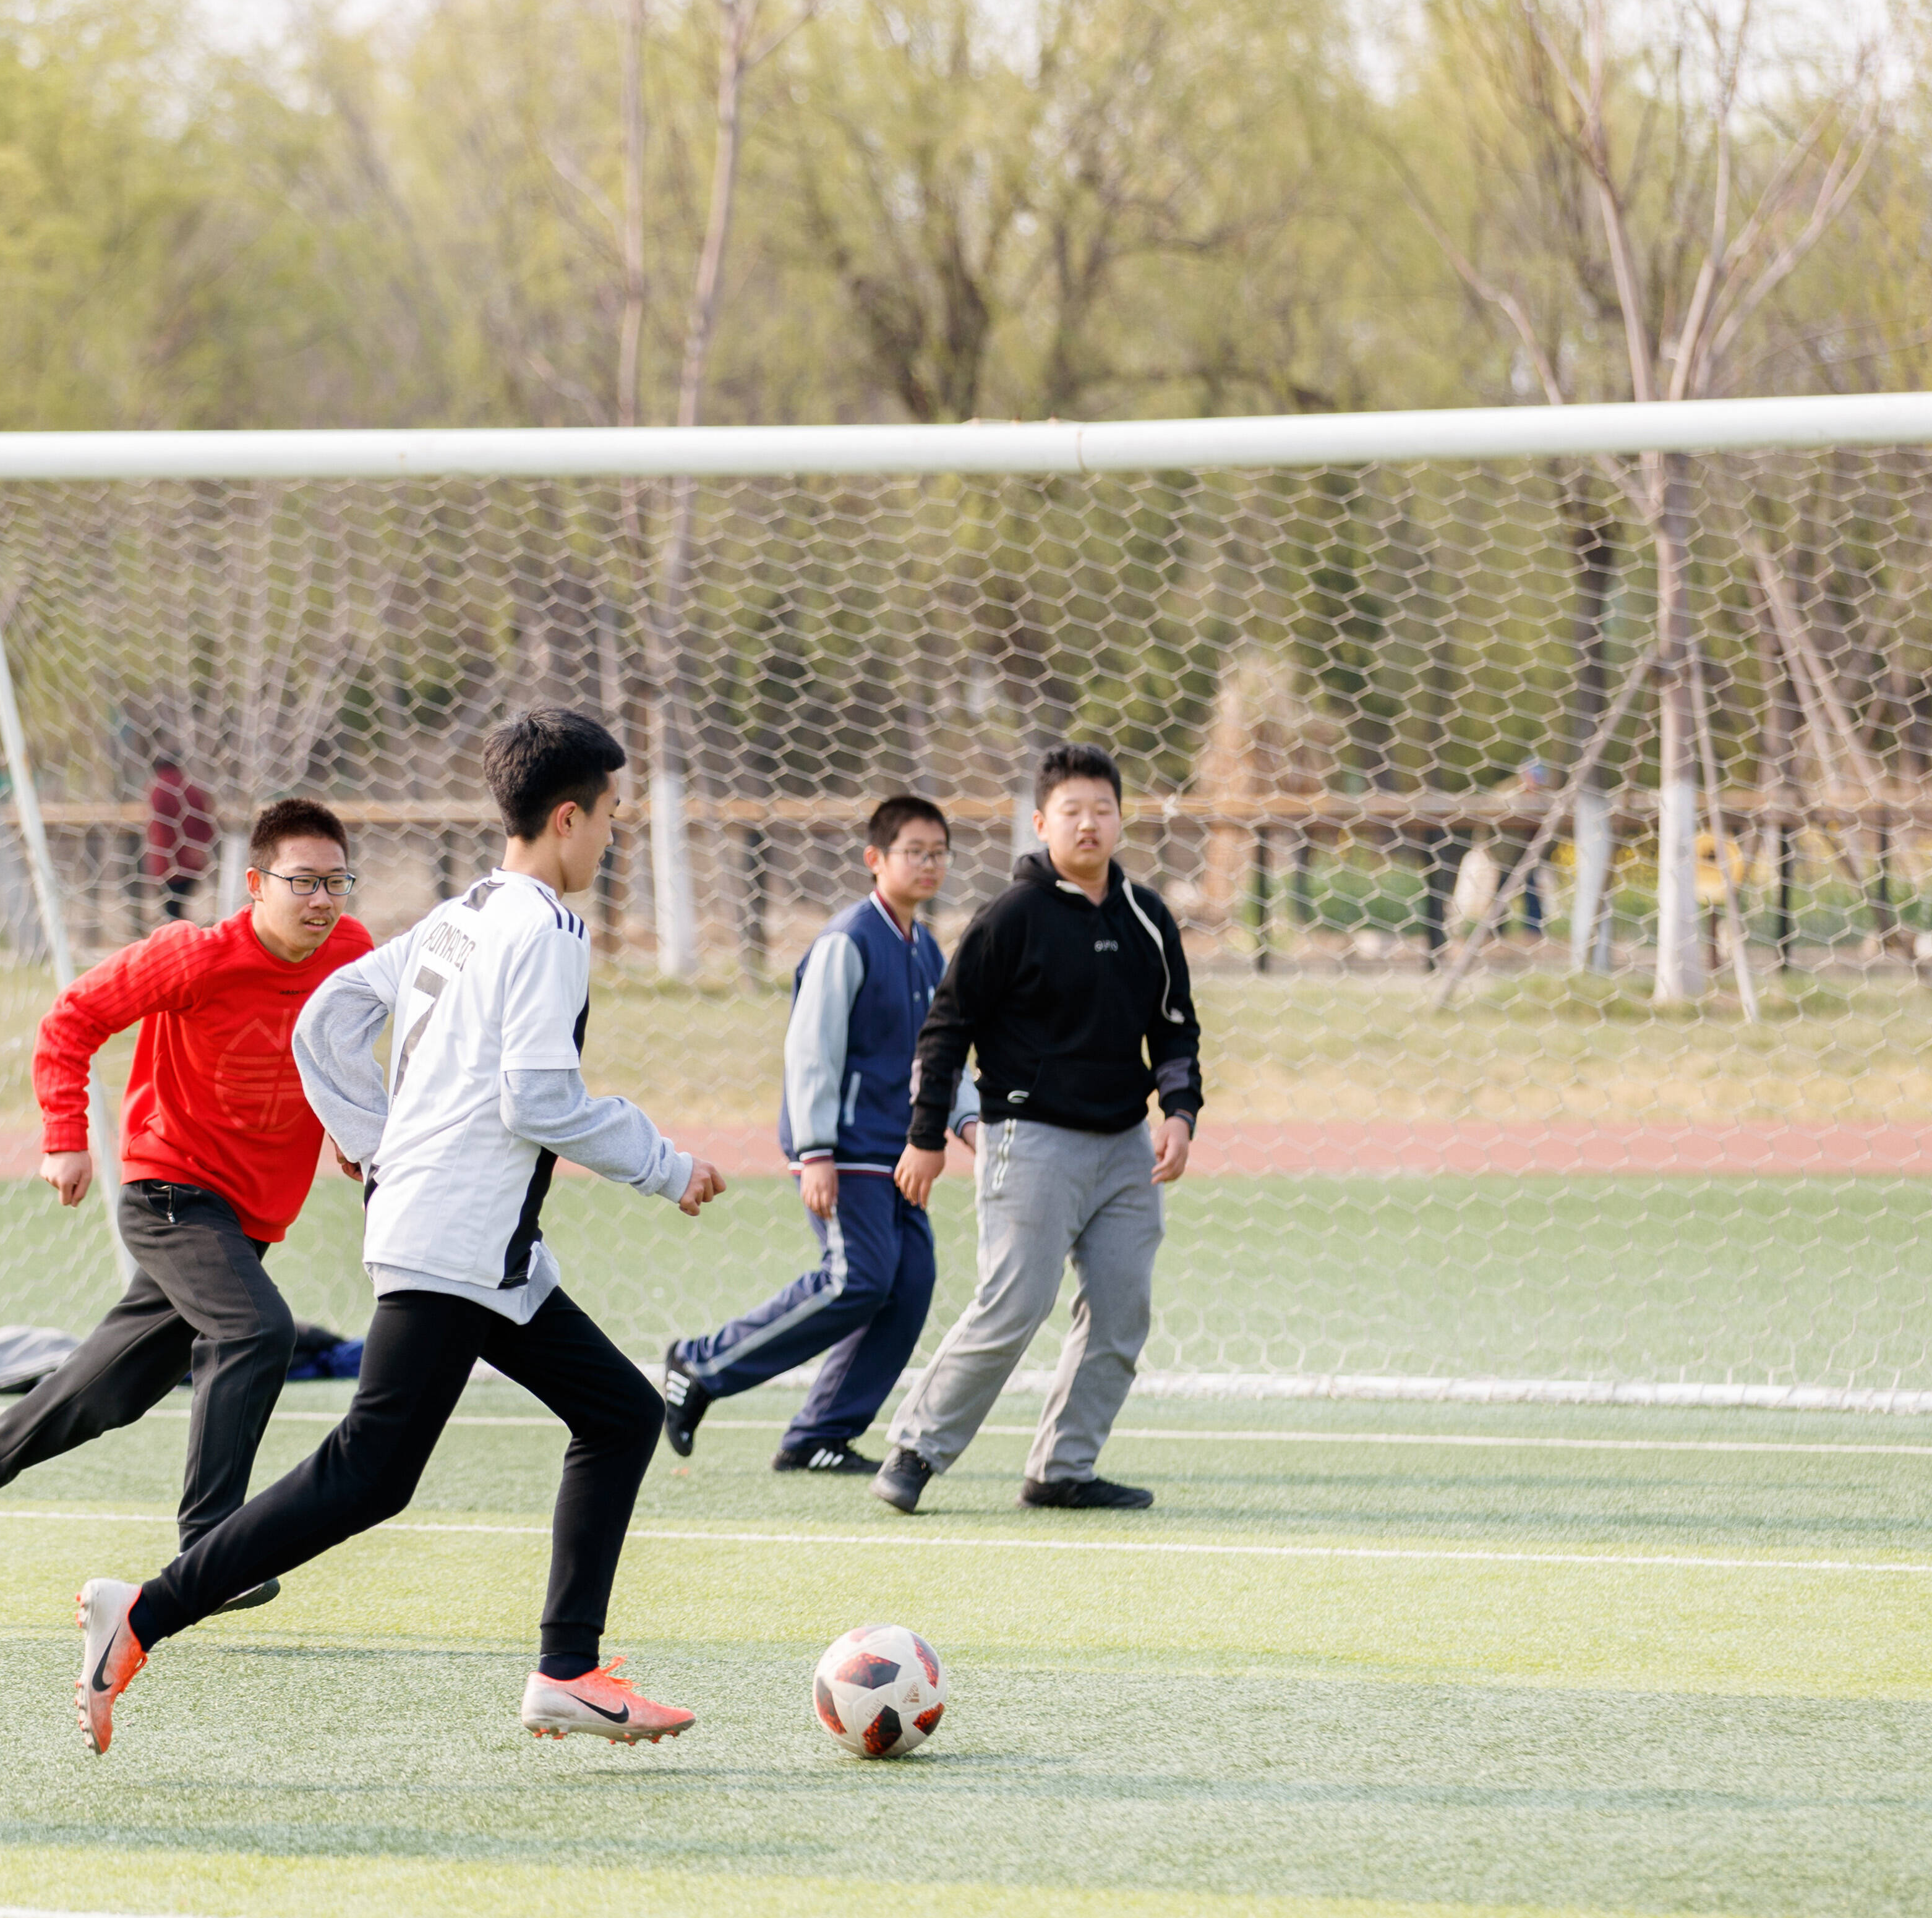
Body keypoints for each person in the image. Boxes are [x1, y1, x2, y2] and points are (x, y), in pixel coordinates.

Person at [69, 708, 726, 1756]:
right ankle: (143, 1610)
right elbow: (538, 1098)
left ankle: (566, 1669)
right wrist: (666, 1164)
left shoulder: (463, 912)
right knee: (368, 1470)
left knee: (617, 1411)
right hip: (456, 1238)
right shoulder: (547, 931)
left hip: (473, 1241)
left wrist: (377, 1144)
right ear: (567, 817)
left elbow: (325, 1015)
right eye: (611, 813)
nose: (614, 834)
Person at [0, 799, 374, 1602]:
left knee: (106, 1394)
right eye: (302, 881)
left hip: (246, 1219)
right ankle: (211, 1551)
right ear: (256, 883)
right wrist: (64, 1135)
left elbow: (340, 1049)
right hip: (170, 1192)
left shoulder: (353, 954)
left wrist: (352, 1132)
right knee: (257, 1329)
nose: (321, 899)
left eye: (336, 881)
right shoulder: (192, 957)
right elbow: (71, 1019)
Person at [870, 743, 1202, 1517]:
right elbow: (946, 1029)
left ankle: (1063, 1469)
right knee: (1015, 1301)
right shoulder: (1011, 917)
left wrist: (1180, 1114)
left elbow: (1175, 1029)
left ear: (1121, 820)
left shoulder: (1148, 917)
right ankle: (915, 1449)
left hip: (1126, 1146)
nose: (1089, 824)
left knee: (1122, 1311)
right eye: (1072, 811)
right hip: (1029, 1138)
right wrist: (925, 1136)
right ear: (1041, 821)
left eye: (1103, 809)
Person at [656, 796, 978, 1475]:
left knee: (910, 1284)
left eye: (938, 852)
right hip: (847, 1151)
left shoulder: (926, 950)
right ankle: (700, 1365)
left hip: (902, 1154)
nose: (928, 864)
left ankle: (819, 1435)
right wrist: (815, 1153)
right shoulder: (847, 941)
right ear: (875, 859)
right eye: (913, 851)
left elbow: (940, 1054)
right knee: (856, 1278)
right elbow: (811, 1051)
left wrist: (966, 1119)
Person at [146, 757, 218, 922]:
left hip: (168, 863)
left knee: (172, 911)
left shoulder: (159, 788)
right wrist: (199, 847)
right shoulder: (190, 787)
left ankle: (179, 936)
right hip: (191, 861)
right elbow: (207, 822)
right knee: (177, 908)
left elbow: (159, 829)